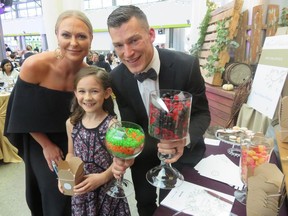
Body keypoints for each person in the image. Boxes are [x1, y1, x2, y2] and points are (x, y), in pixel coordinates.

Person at [107, 5, 211, 216]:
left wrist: (183, 139)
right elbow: (131, 125)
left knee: (174, 209)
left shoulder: (186, 66)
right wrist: (124, 153)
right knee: (144, 205)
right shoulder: (116, 77)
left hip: (182, 157)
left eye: (134, 40)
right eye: (119, 45)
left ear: (151, 34)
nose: (127, 53)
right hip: (143, 155)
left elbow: (202, 113)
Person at [4, 10, 93, 216]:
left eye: (81, 36)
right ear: (56, 35)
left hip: (73, 140)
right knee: (56, 193)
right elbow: (20, 112)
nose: (74, 42)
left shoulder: (89, 73)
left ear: (90, 39)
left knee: (79, 191)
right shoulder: (35, 65)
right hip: (39, 138)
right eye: (66, 35)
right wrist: (46, 145)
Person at [61, 66, 130, 216]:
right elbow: (71, 154)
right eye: (82, 91)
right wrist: (64, 175)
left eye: (94, 91)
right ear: (75, 93)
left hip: (107, 190)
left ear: (107, 93)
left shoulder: (113, 126)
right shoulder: (71, 123)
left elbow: (121, 161)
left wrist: (102, 177)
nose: (87, 97)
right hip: (82, 190)